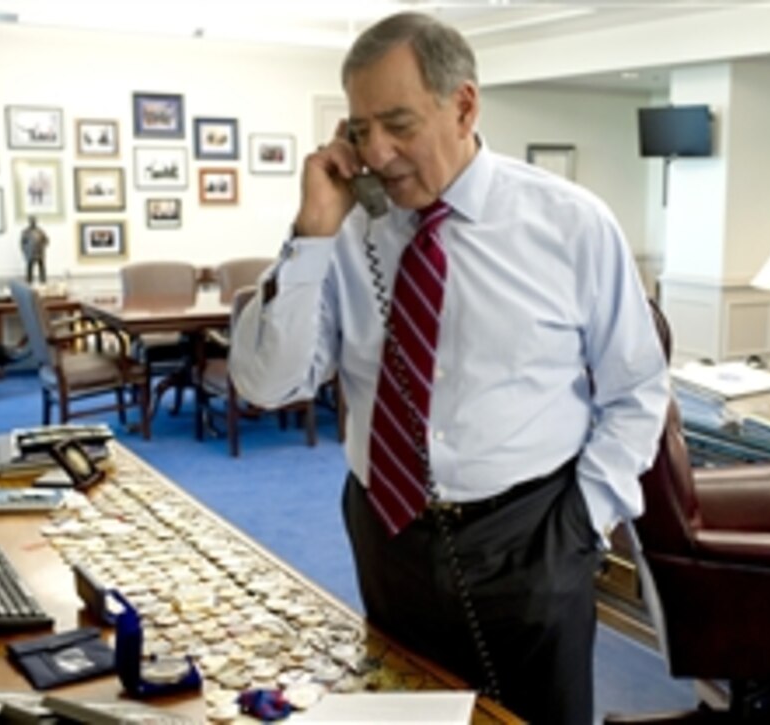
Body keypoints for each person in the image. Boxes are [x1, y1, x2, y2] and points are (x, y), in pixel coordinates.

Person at [228, 11, 669, 724]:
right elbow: (266, 383)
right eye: (360, 128)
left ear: (464, 104)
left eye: (398, 123)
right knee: (406, 713)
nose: (378, 151)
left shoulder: (571, 224)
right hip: (387, 530)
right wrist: (311, 235)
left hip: (532, 535)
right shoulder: (346, 231)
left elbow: (636, 389)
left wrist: (584, 517)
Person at [20, 216, 48, 284]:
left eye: (34, 221)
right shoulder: (26, 232)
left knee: (41, 267)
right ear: (29, 222)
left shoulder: (40, 231)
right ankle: (29, 280)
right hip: (30, 252)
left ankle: (43, 279)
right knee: (30, 267)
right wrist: (25, 251)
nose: (33, 222)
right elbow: (22, 243)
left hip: (39, 252)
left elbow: (46, 240)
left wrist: (42, 246)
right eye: (31, 221)